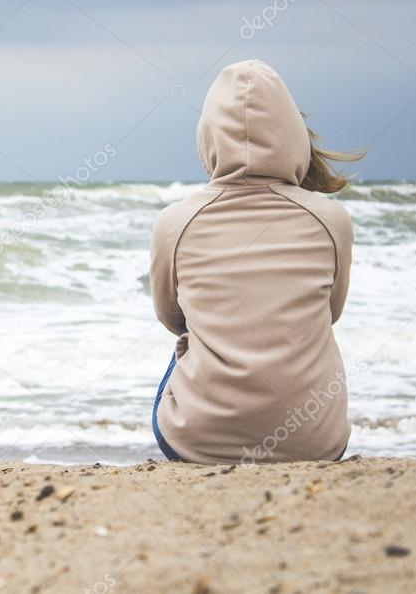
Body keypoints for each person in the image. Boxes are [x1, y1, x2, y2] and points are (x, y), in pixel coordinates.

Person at [149, 59, 365, 464]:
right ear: (293, 136)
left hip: (197, 445)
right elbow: (330, 312)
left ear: (208, 138)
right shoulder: (331, 219)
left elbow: (171, 317)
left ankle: (212, 427)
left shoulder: (174, 222)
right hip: (317, 444)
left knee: (189, 339)